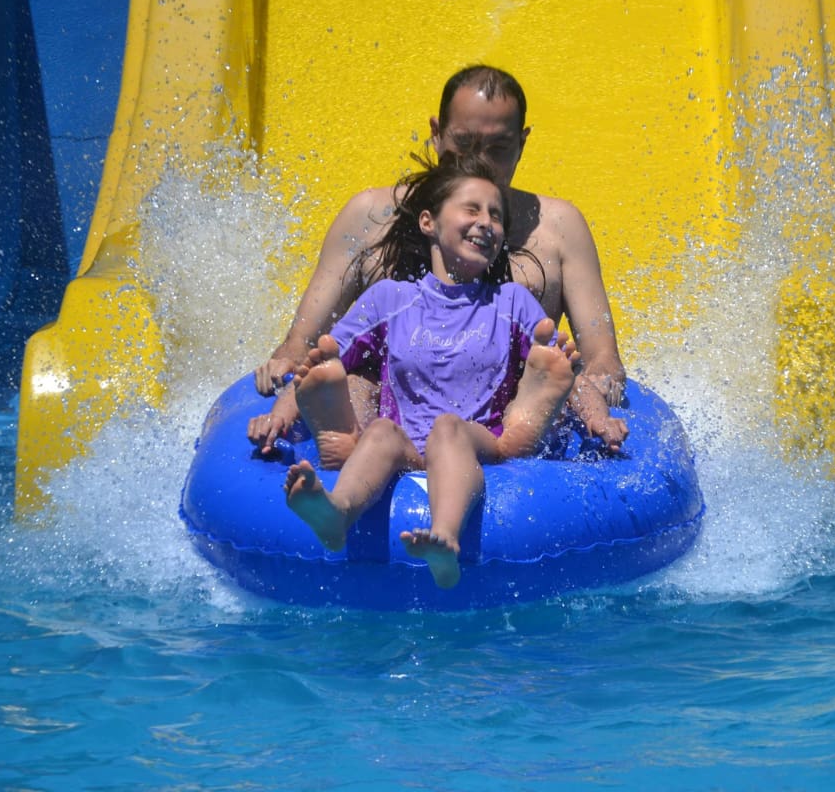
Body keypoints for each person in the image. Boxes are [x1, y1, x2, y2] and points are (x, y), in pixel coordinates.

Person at [250, 65, 628, 459]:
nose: (479, 160)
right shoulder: (368, 218)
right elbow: (306, 343)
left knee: (556, 373)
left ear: (522, 143)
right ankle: (348, 452)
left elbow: (601, 356)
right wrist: (286, 373)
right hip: (388, 414)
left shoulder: (560, 228)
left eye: (498, 148)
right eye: (463, 143)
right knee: (356, 381)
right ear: (436, 133)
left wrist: (598, 388)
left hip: (503, 420)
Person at [279, 152, 590, 589]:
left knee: (449, 428)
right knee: (381, 432)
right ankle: (336, 511)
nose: (487, 223)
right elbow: (321, 361)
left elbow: (565, 367)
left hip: (482, 440)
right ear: (429, 222)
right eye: (472, 209)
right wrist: (283, 409)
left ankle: (445, 535)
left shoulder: (512, 303)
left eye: (497, 216)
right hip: (409, 448)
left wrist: (598, 417)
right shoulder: (390, 298)